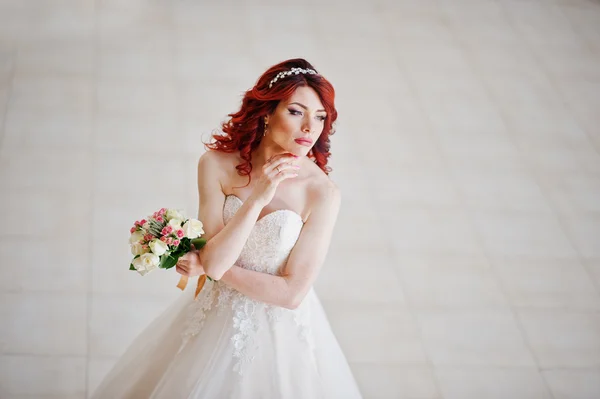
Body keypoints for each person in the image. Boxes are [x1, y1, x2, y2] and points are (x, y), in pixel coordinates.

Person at [91, 58, 363, 399]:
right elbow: (214, 258)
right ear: (266, 112)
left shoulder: (321, 192)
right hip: (214, 315)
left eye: (320, 116)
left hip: (280, 331)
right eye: (296, 112)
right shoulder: (216, 165)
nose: (310, 127)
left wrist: (209, 265)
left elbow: (291, 294)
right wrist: (258, 198)